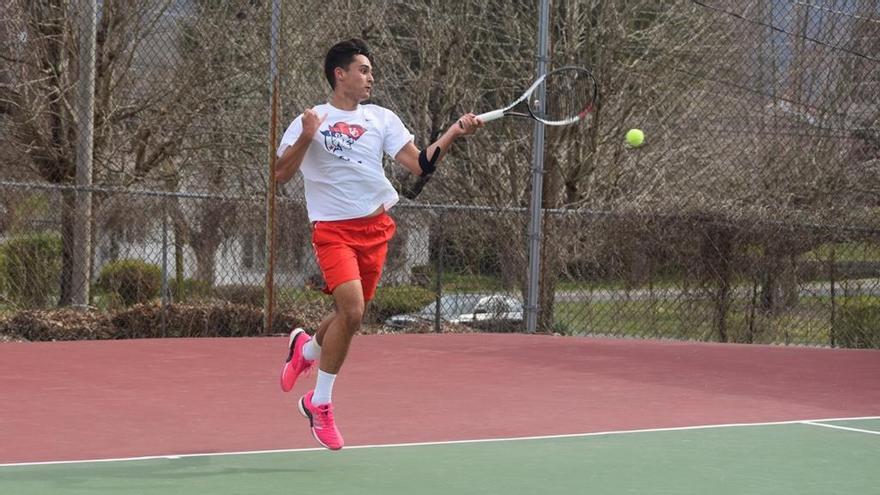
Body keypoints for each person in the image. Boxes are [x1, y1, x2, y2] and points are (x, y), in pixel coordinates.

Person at [274, 38, 482, 451]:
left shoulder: (381, 118)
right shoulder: (310, 120)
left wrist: (454, 132)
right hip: (332, 230)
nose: (370, 77)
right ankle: (320, 403)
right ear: (340, 74)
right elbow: (279, 174)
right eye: (363, 70)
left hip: (376, 228)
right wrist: (306, 138)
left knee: (350, 319)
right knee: (350, 311)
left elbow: (419, 163)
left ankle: (306, 348)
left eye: (370, 71)